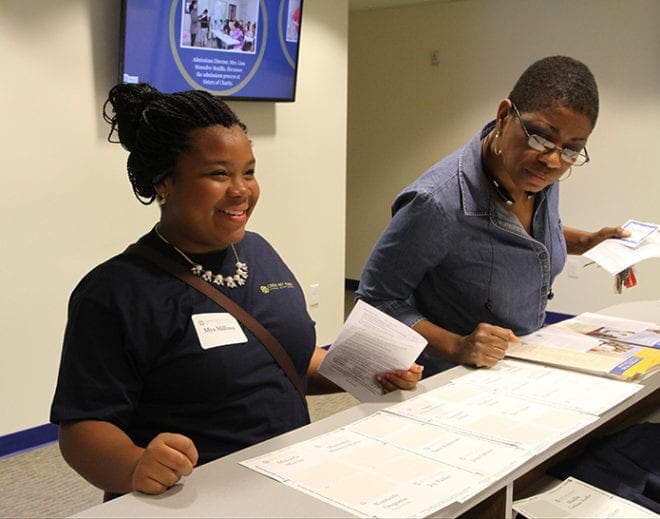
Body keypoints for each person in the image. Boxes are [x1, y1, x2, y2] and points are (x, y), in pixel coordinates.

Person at [50, 83, 423, 498]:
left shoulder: (258, 251)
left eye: (249, 171)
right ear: (164, 183)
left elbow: (286, 359)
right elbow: (82, 427)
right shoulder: (115, 292)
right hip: (195, 498)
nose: (241, 190)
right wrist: (135, 465)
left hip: (290, 480)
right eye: (218, 173)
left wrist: (364, 368)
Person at [357, 55, 630, 378]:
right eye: (540, 137)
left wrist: (588, 242)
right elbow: (376, 300)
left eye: (571, 149)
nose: (553, 161)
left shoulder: (536, 177)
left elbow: (527, 236)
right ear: (504, 116)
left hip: (518, 367)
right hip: (448, 378)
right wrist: (457, 345)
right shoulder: (435, 203)